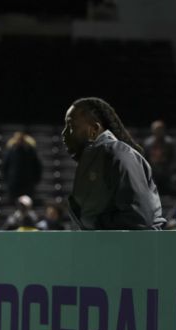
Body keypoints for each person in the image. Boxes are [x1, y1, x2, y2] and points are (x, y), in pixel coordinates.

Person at [61, 97, 165, 230]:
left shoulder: (119, 154)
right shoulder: (97, 158)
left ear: (94, 129)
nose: (63, 134)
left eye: (71, 126)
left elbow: (140, 218)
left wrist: (94, 223)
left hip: (136, 249)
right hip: (113, 248)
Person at [2, 131, 43, 201]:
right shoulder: (10, 151)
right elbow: (5, 167)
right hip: (13, 183)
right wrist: (7, 180)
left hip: (28, 183)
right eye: (17, 139)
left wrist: (35, 180)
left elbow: (37, 166)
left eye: (21, 139)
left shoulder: (30, 151)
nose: (19, 141)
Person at [143, 120, 176, 196]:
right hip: (152, 170)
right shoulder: (148, 143)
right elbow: (145, 158)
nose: (158, 132)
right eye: (157, 129)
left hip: (165, 170)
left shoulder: (169, 143)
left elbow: (172, 157)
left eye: (160, 129)